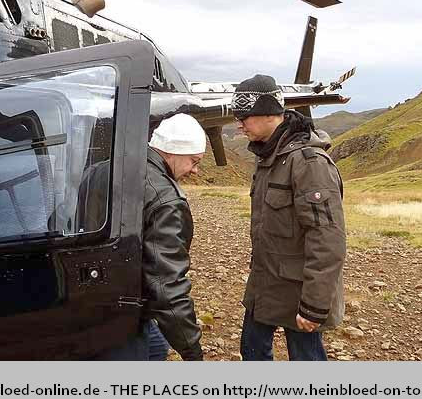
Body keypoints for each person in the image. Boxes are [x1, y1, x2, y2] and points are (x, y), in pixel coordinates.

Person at [231, 74, 346, 361]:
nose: (239, 124)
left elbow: (327, 238)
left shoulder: (309, 163)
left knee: (306, 359)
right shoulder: (268, 156)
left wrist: (314, 305)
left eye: (244, 116)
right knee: (252, 350)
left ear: (270, 113)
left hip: (299, 291)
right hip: (265, 284)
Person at [92, 113, 205, 360]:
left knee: (156, 347)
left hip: (93, 297)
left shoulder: (105, 167)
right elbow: (167, 285)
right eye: (194, 161)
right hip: (122, 312)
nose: (195, 170)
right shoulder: (166, 199)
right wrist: (192, 352)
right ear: (174, 151)